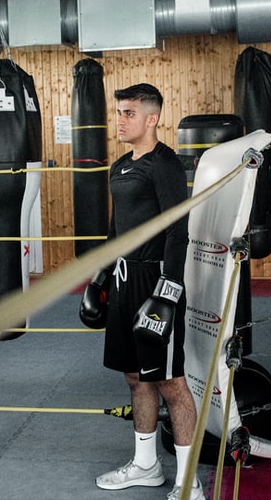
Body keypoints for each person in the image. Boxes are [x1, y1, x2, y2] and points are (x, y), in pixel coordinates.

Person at [95, 83, 205, 500]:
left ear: (151, 118)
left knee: (171, 382)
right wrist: (101, 278)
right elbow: (115, 229)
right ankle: (146, 465)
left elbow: (180, 230)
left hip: (156, 281)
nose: (119, 120)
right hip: (124, 279)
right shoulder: (120, 166)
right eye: (118, 112)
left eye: (127, 113)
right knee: (135, 377)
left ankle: (187, 479)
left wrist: (168, 291)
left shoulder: (166, 165)